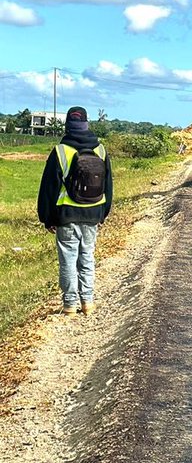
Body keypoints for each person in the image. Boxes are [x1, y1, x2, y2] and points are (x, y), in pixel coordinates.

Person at [36, 106, 113, 316]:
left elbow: (48, 189)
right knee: (87, 257)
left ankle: (70, 305)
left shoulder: (61, 151)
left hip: (66, 215)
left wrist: (47, 218)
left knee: (68, 259)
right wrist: (102, 214)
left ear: (67, 125)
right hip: (93, 213)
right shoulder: (100, 150)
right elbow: (108, 185)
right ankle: (88, 302)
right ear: (87, 124)